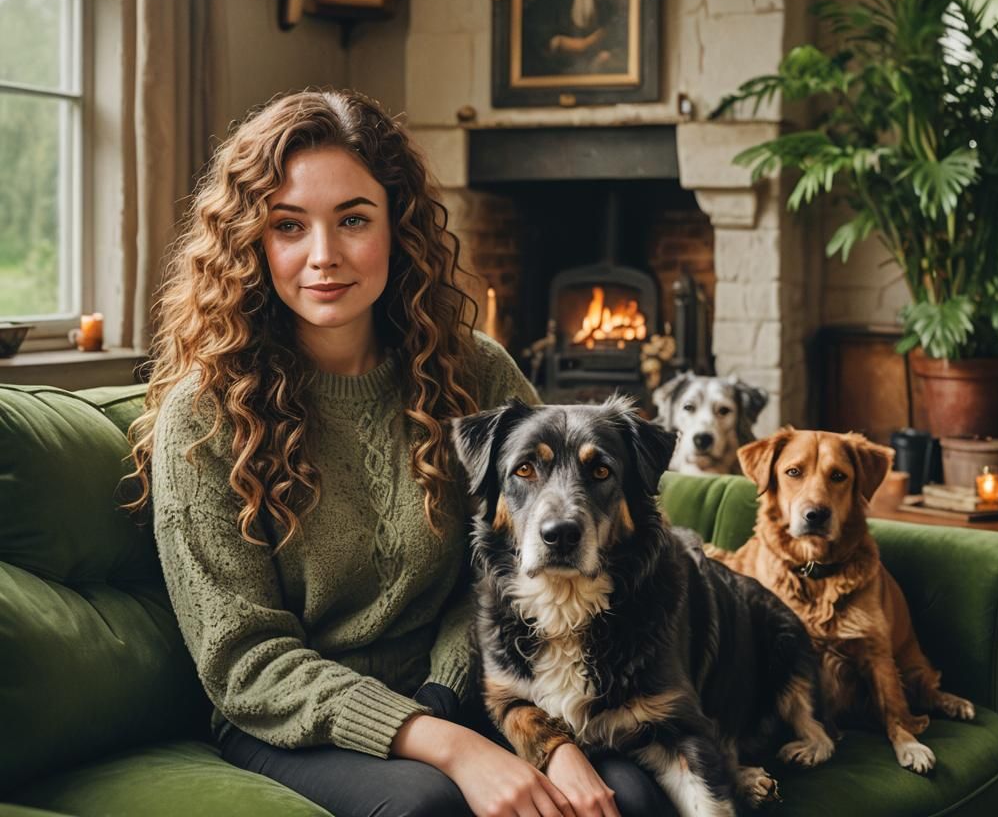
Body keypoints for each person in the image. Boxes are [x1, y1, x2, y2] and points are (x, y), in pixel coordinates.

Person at [124, 90, 674, 817]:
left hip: (472, 687)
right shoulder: (204, 417)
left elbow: (505, 570)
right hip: (297, 719)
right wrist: (449, 745)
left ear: (399, 226)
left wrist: (522, 729)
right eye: (288, 225)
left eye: (353, 219)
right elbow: (245, 661)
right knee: (426, 806)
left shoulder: (476, 372)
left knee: (631, 794)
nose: (323, 256)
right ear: (252, 241)